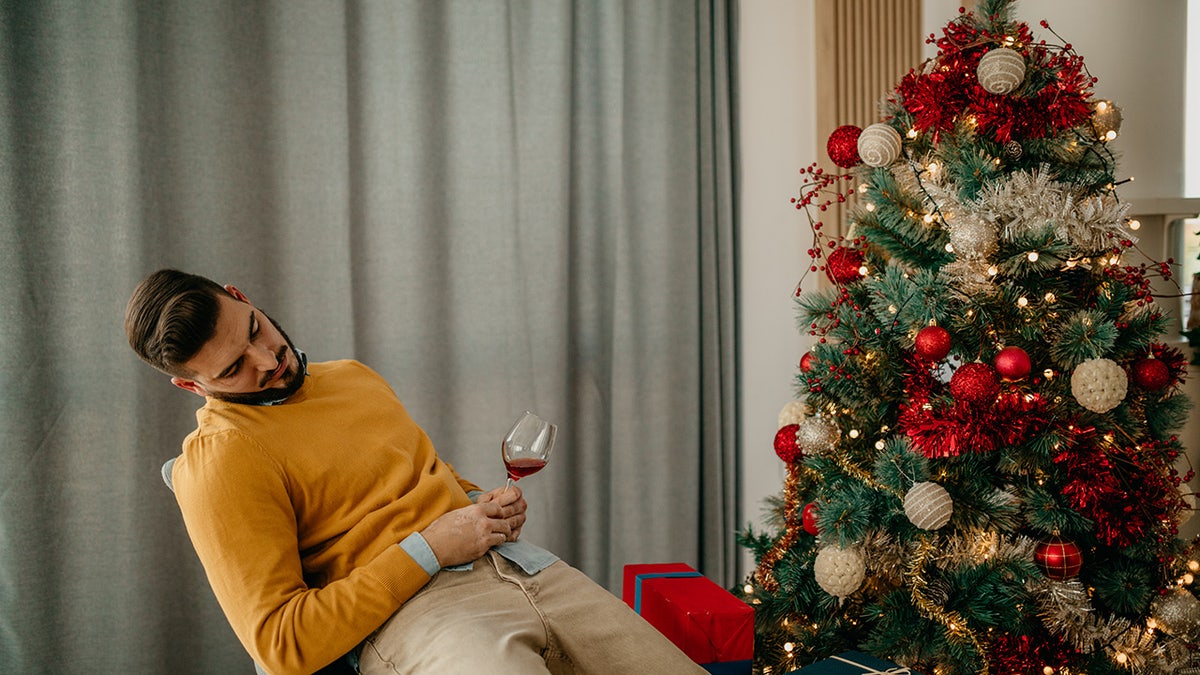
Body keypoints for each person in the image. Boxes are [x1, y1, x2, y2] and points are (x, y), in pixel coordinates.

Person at [125, 269, 705, 675]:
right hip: (418, 619)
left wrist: (481, 503)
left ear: (241, 295)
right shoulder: (221, 461)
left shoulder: (349, 376)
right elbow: (282, 643)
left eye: (254, 329)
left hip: (525, 571)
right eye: (233, 369)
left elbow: (426, 474)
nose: (268, 360)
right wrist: (430, 547)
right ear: (190, 385)